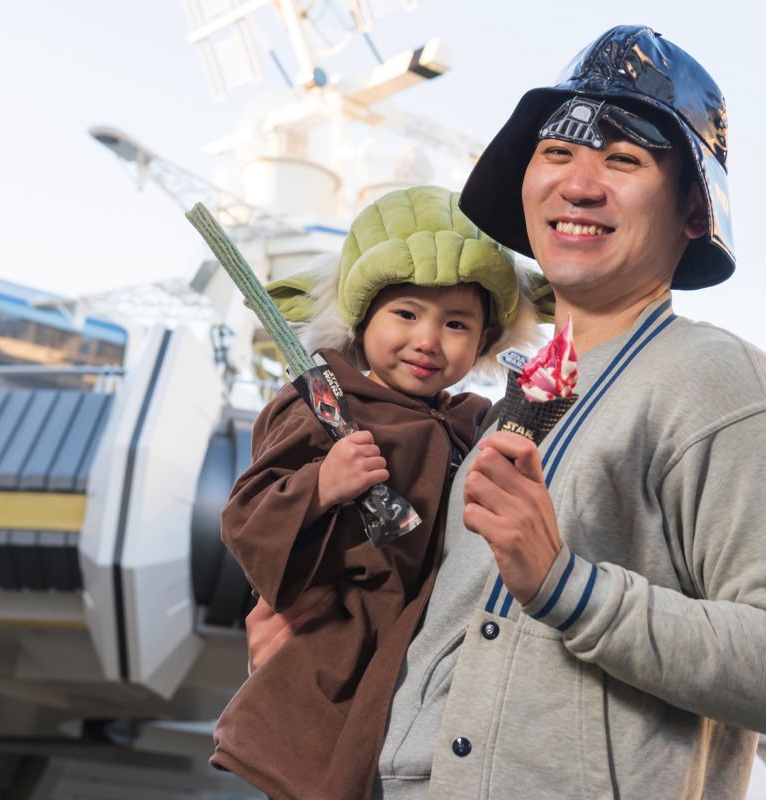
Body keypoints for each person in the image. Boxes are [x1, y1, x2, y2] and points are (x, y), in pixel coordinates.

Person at [372, 26, 766, 798]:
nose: (579, 184)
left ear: (694, 210)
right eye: (557, 151)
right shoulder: (513, 399)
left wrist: (565, 585)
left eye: (624, 159)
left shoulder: (716, 379)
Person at [214, 185, 543, 799]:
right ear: (362, 320)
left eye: (456, 324)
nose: (428, 339)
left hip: (436, 645)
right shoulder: (326, 403)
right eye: (406, 314)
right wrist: (321, 485)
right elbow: (246, 516)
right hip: (339, 647)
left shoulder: (475, 421)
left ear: (484, 342)